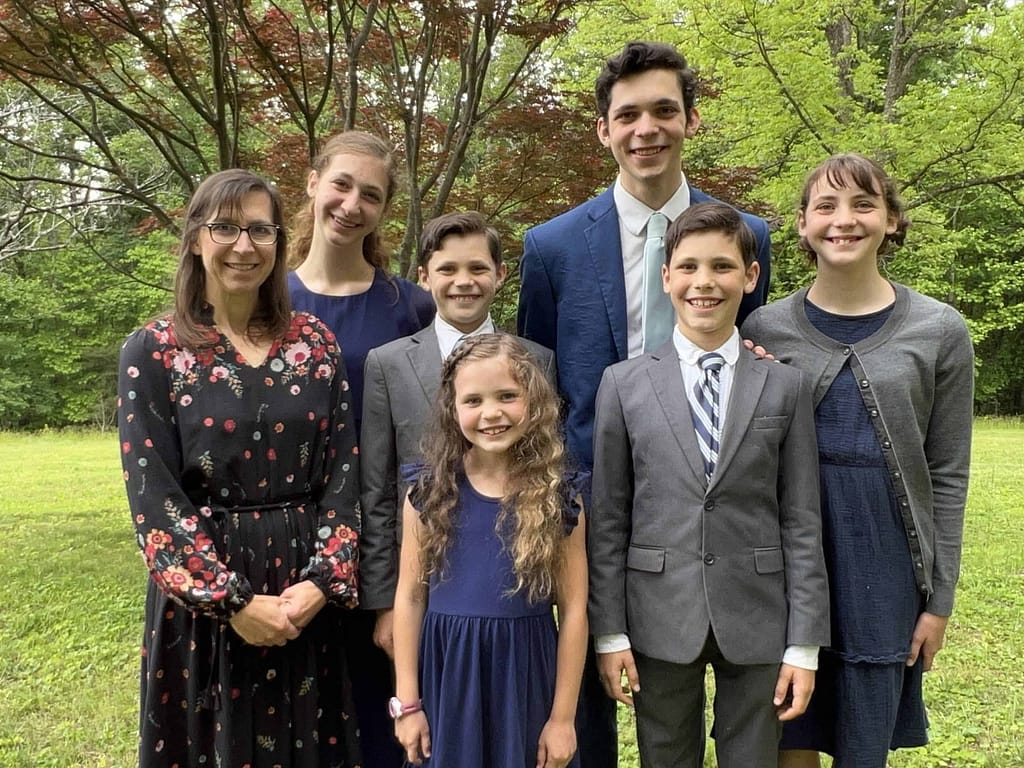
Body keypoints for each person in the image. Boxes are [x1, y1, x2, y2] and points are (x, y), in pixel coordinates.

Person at [517, 43, 773, 764]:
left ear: (691, 119)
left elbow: (753, 356)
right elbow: (538, 382)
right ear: (604, 129)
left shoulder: (748, 235)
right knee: (586, 694)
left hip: (717, 506)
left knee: (717, 693)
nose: (646, 129)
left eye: (664, 110)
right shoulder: (552, 247)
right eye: (627, 115)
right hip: (589, 501)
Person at [118, 169, 361, 767]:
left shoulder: (315, 343)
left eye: (260, 230)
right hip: (205, 606)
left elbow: (345, 474)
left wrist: (322, 582)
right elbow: (154, 499)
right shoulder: (154, 350)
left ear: (279, 241)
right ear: (195, 239)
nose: (243, 245)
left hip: (303, 596)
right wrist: (230, 603)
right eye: (225, 228)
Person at [741, 153, 974, 768]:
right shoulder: (765, 326)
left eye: (863, 204)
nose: (843, 220)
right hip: (789, 564)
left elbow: (948, 475)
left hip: (883, 568)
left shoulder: (940, 329)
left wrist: (939, 601)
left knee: (863, 739)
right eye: (826, 205)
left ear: (891, 219)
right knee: (789, 733)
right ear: (802, 223)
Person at [590, 201, 830, 768]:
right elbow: (609, 519)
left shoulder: (785, 385)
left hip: (758, 611)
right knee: (665, 756)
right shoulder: (623, 385)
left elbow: (801, 518)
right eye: (689, 267)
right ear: (666, 277)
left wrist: (804, 644)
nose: (704, 282)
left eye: (722, 266)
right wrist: (610, 633)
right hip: (657, 611)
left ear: (750, 276)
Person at [288, 130, 434, 767]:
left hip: (385, 544)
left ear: (384, 210)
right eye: (341, 185)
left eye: (370, 195)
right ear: (313, 183)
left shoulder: (411, 307)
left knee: (385, 723)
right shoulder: (267, 300)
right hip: (290, 543)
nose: (351, 205)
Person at [359, 211, 555, 657]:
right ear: (424, 276)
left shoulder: (537, 361)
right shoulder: (388, 365)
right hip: (422, 581)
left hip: (513, 584)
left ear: (500, 275)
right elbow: (376, 490)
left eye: (477, 268)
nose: (463, 281)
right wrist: (384, 602)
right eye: (447, 269)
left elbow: (544, 463)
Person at [391, 334, 588, 768]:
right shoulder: (429, 493)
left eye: (507, 396)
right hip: (449, 682)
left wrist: (562, 719)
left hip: (525, 680)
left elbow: (574, 610)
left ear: (533, 401)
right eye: (473, 400)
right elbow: (409, 597)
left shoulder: (558, 496)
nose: (491, 413)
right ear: (452, 409)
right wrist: (407, 703)